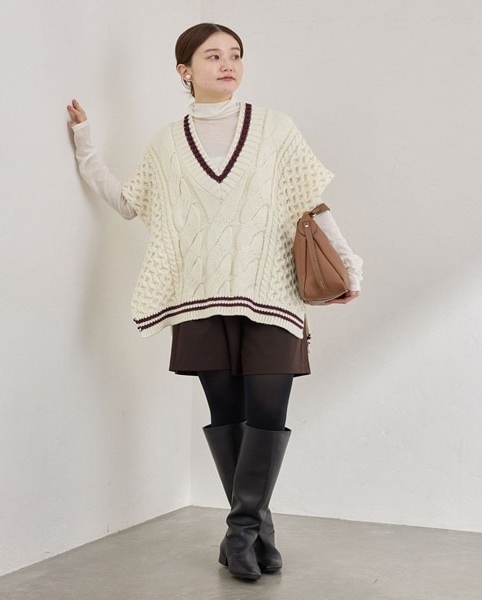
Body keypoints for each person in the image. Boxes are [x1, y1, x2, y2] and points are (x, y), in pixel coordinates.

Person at [67, 22, 363, 581]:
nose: (228, 64)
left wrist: (348, 266)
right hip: (199, 301)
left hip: (272, 295)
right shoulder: (167, 142)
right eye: (213, 56)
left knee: (268, 415)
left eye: (235, 54)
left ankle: (239, 532)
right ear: (185, 71)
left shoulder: (274, 128)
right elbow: (129, 203)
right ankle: (256, 535)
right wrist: (86, 146)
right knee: (227, 417)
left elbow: (311, 202)